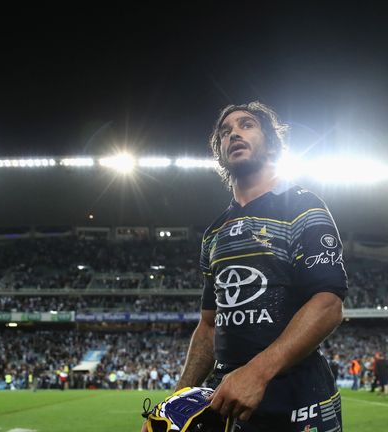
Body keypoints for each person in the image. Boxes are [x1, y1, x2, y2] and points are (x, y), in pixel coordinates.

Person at [142, 102, 347, 432]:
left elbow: (328, 305)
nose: (234, 133)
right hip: (227, 403)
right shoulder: (215, 233)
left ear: (270, 141)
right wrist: (175, 402)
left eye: (247, 125)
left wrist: (257, 372)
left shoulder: (303, 208)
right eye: (225, 132)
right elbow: (209, 325)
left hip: (300, 400)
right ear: (220, 153)